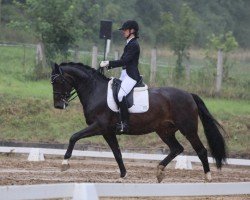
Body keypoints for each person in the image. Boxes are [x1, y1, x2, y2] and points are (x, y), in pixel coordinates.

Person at [100, 20, 141, 133]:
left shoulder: (134, 44)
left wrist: (109, 63)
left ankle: (125, 123)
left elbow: (125, 61)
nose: (123, 32)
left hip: (131, 76)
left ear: (132, 31)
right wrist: (108, 65)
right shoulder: (129, 43)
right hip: (125, 74)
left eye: (125, 30)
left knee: (120, 95)